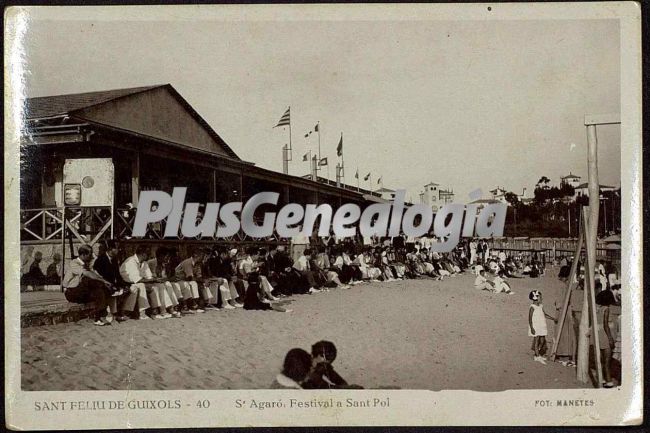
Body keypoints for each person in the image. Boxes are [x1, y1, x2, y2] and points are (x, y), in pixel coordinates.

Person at [62, 245, 114, 326]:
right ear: (83, 254)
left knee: (99, 291)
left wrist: (106, 282)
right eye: (90, 255)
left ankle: (98, 318)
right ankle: (102, 312)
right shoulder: (74, 263)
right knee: (88, 280)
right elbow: (88, 274)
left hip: (83, 293)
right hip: (72, 293)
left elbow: (96, 274)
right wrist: (103, 281)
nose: (92, 256)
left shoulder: (87, 264)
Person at [119, 245, 165, 319]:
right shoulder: (131, 261)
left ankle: (155, 311)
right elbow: (138, 279)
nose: (149, 256)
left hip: (137, 283)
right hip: (125, 283)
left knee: (154, 287)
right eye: (148, 254)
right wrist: (152, 280)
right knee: (141, 285)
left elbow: (149, 276)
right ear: (143, 254)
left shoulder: (144, 263)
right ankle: (142, 312)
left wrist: (154, 280)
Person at [93, 240, 130, 321]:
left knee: (129, 289)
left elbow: (118, 275)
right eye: (116, 248)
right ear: (110, 249)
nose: (118, 250)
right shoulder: (101, 260)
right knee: (112, 291)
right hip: (102, 285)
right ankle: (111, 313)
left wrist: (124, 285)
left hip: (112, 284)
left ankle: (121, 312)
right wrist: (113, 285)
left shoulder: (114, 260)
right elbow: (100, 277)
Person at [595, 288, 618, 387]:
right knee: (608, 361)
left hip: (600, 335)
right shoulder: (607, 309)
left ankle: (604, 378)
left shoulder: (599, 309)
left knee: (603, 360)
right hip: (606, 336)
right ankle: (609, 380)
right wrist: (610, 339)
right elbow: (606, 325)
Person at [528, 290, 557, 364]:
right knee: (537, 340)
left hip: (542, 325)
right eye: (540, 298)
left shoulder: (541, 306)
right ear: (536, 298)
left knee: (542, 340)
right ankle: (537, 356)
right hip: (536, 326)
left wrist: (553, 318)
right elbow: (530, 318)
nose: (542, 299)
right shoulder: (532, 307)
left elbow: (545, 314)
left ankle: (537, 353)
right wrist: (532, 328)